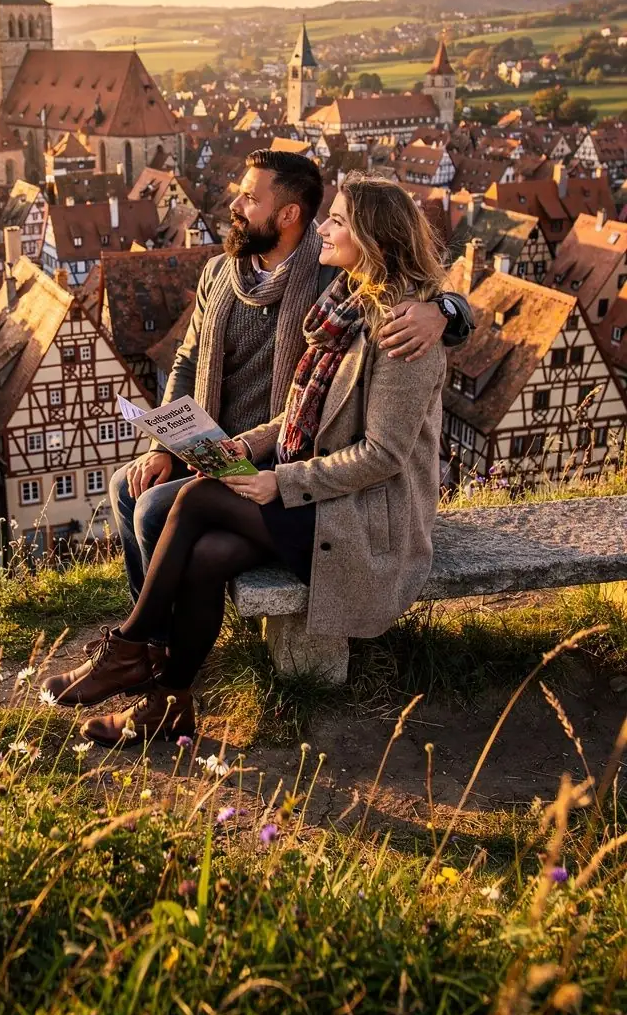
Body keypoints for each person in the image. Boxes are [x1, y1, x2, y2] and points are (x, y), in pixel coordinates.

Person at [43, 174, 452, 744]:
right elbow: (299, 416)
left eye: (336, 219)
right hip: (320, 495)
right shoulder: (345, 308)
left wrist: (278, 481)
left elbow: (382, 455)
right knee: (207, 553)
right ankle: (168, 703)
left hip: (364, 517)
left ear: (372, 236)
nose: (325, 227)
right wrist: (247, 448)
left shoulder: (403, 333)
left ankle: (132, 650)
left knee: (192, 499)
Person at [108, 149, 472, 603]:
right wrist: (164, 445)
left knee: (153, 509)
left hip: (281, 454)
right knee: (127, 485)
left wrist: (445, 311)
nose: (233, 208)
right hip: (220, 444)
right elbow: (186, 362)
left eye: (247, 199)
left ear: (288, 214)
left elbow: (403, 278)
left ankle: (157, 635)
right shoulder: (219, 272)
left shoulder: (330, 275)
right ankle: (150, 626)